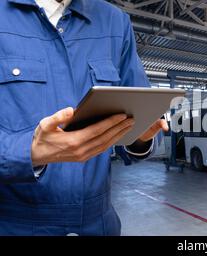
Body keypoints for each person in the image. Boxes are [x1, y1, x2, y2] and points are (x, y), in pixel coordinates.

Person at [0, 0, 168, 235]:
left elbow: (143, 111)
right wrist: (26, 152)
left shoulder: (114, 23)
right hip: (13, 224)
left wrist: (139, 136)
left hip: (99, 225)